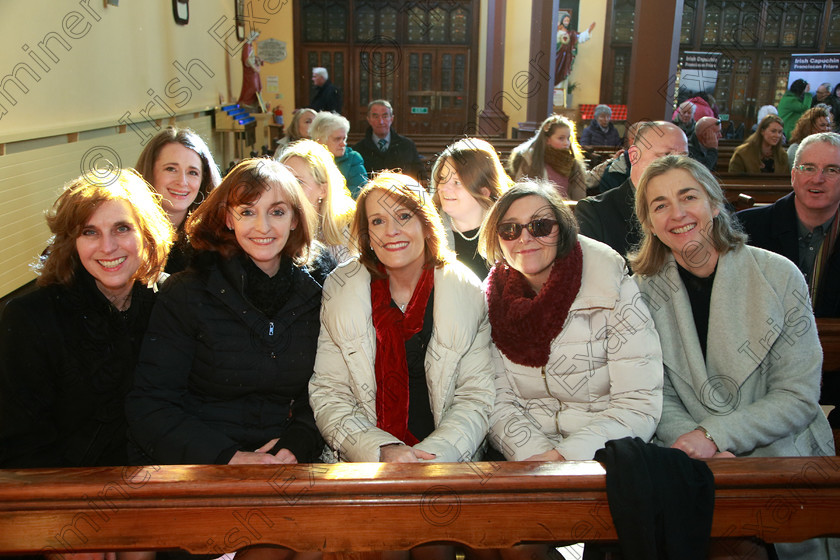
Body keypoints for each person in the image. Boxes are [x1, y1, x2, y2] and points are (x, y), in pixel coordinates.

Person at [630, 155, 838, 560]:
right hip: (686, 458)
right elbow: (655, 391)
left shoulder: (779, 275)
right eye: (659, 205)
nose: (677, 214)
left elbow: (797, 396)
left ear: (715, 203)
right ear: (650, 223)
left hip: (778, 454)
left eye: (688, 196)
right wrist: (694, 445)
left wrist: (715, 437)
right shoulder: (641, 291)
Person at [127, 159, 329, 469]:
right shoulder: (187, 293)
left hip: (285, 462)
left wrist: (299, 441)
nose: (263, 227)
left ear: (294, 220)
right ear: (228, 219)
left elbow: (324, 393)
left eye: (276, 212)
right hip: (202, 465)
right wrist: (228, 457)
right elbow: (152, 405)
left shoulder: (315, 296)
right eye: (247, 212)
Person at [309, 172, 495, 464]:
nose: (390, 231)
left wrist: (434, 456)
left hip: (449, 460)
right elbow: (330, 393)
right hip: (363, 462)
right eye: (377, 221)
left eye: (404, 216)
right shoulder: (341, 289)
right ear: (367, 235)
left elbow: (475, 396)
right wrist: (379, 451)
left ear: (426, 224)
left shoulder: (465, 290)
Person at [0, 169, 173, 470]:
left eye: (122, 229)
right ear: (71, 243)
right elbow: (20, 445)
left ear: (146, 235)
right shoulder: (32, 319)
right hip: (67, 496)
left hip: (166, 483)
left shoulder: (173, 303)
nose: (108, 247)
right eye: (89, 232)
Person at [480, 180, 663, 461]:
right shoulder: (491, 301)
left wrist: (564, 457)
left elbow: (638, 403)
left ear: (562, 229)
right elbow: (498, 404)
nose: (525, 238)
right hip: (526, 461)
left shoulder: (610, 284)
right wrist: (538, 459)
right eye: (510, 229)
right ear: (498, 239)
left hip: (606, 457)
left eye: (540, 226)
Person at [737, 132, 840, 318]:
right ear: (793, 176)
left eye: (832, 170)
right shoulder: (744, 227)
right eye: (808, 168)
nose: (818, 179)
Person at [576, 121, 688, 259]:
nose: (677, 166)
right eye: (666, 155)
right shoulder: (595, 212)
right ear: (634, 155)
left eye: (683, 157)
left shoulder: (692, 208)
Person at [135, 126, 222, 273]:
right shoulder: (129, 236)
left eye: (192, 172)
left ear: (203, 180)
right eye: (171, 169)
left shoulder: (213, 242)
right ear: (150, 171)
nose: (182, 181)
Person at [431, 137, 512, 280]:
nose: (443, 188)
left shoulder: (509, 230)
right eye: (442, 179)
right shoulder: (429, 230)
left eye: (457, 182)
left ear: (484, 191)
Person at [279, 139, 356, 264]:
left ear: (323, 190)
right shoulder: (273, 231)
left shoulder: (346, 232)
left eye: (298, 182)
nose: (288, 189)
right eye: (283, 181)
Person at [508, 114, 587, 200]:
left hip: (566, 208)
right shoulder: (531, 159)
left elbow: (579, 196)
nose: (566, 143)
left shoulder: (573, 162)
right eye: (561, 138)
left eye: (568, 138)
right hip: (537, 207)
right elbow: (521, 190)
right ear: (547, 140)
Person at [353, 99, 424, 181]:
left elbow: (420, 176)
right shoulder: (358, 149)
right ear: (369, 119)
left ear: (392, 119)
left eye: (385, 116)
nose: (381, 122)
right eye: (376, 117)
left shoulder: (407, 145)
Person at [309, 111, 368, 197]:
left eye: (344, 139)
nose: (343, 144)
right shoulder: (308, 160)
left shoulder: (353, 159)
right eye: (337, 139)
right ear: (320, 141)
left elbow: (359, 192)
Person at [554, 11, 595, 86]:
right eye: (565, 20)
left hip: (566, 59)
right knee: (553, 73)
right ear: (562, 21)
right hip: (556, 57)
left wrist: (589, 30)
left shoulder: (572, 34)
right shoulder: (556, 32)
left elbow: (580, 37)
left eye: (568, 21)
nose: (566, 22)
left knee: (563, 76)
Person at [236, 30, 263, 110]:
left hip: (253, 71)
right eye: (256, 37)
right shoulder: (247, 46)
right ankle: (246, 102)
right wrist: (254, 67)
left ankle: (252, 103)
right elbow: (246, 59)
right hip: (249, 71)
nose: (257, 39)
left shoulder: (250, 45)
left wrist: (257, 60)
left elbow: (251, 57)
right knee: (252, 86)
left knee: (258, 86)